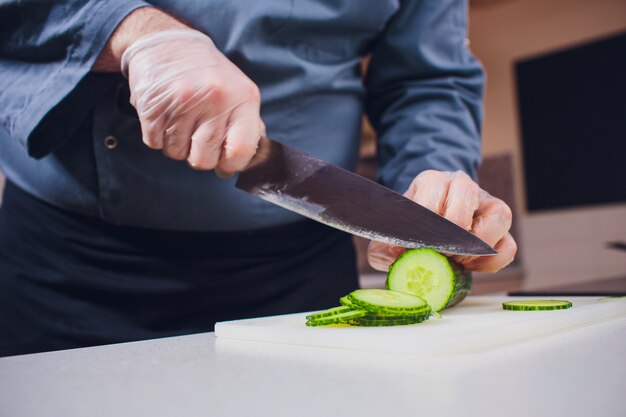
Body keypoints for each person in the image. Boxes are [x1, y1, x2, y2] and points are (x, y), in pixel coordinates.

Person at [0, 0, 517, 357]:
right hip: (71, 269)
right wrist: (133, 32)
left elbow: (427, 78)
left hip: (303, 273)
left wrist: (433, 175)